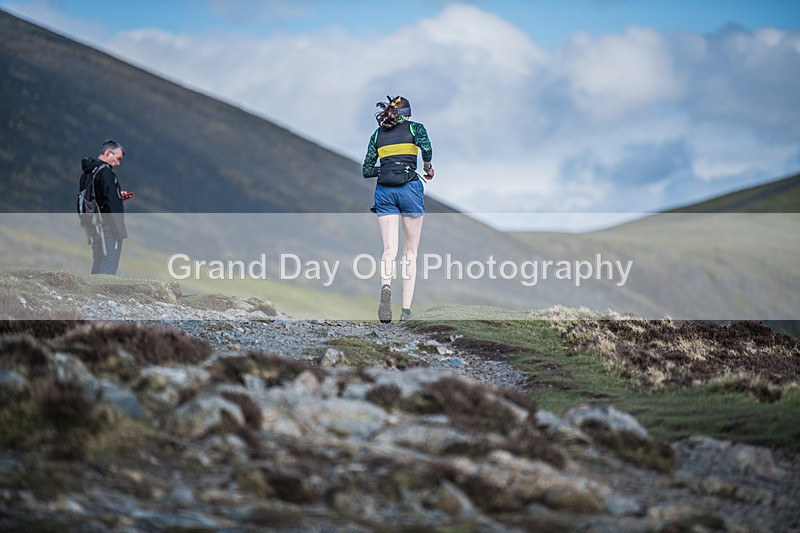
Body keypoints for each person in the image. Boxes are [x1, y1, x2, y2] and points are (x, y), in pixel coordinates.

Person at [362, 96, 434, 323]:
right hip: (410, 189)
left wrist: (387, 169)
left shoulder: (377, 135)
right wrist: (427, 167)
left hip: (385, 191)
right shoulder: (416, 128)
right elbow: (427, 148)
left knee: (389, 249)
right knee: (410, 252)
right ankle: (405, 311)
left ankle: (385, 287)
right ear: (408, 113)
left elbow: (366, 169)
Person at [79, 139, 132, 275]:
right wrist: (119, 231)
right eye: (117, 158)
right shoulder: (106, 173)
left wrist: (117, 195)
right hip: (107, 226)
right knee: (110, 261)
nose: (118, 163)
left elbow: (95, 196)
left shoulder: (88, 172)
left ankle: (92, 293)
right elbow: (111, 203)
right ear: (108, 153)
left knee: (99, 260)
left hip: (93, 226)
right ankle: (104, 294)